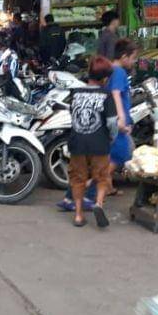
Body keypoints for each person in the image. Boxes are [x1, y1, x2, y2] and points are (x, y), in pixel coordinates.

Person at [66, 56, 116, 227]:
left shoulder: (75, 93)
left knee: (77, 178)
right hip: (99, 142)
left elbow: (73, 115)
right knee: (102, 176)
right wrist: (112, 137)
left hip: (77, 141)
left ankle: (78, 215)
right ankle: (98, 203)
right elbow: (112, 122)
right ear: (105, 78)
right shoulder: (106, 95)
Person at [96, 38, 139, 209]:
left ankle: (108, 187)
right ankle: (95, 186)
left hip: (111, 118)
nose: (134, 61)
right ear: (124, 56)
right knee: (122, 154)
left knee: (112, 155)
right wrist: (121, 119)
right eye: (133, 58)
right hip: (117, 120)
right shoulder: (119, 72)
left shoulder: (110, 70)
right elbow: (116, 94)